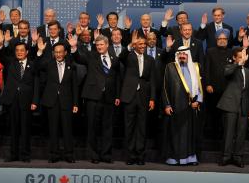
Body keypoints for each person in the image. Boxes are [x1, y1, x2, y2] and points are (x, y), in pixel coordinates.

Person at [69, 34, 121, 164]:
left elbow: (117, 79)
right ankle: (94, 155)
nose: (99, 47)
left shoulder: (114, 58)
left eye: (101, 44)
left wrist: (117, 95)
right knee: (92, 127)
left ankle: (106, 155)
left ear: (107, 45)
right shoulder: (91, 56)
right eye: (97, 45)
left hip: (109, 97)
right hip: (93, 97)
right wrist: (74, 47)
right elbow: (79, 58)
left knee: (107, 127)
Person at [0, 39, 39, 162]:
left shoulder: (33, 64)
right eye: (17, 50)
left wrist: (35, 101)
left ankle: (25, 155)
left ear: (26, 52)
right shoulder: (10, 63)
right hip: (12, 101)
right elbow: (1, 56)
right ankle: (13, 155)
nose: (19, 52)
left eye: (22, 50)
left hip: (27, 101)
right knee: (13, 129)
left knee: (25, 130)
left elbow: (36, 84)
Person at [37, 41, 78, 163]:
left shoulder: (72, 66)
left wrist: (75, 103)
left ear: (65, 53)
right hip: (51, 101)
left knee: (67, 129)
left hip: (67, 101)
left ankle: (69, 155)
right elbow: (37, 66)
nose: (59, 54)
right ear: (53, 53)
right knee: (53, 129)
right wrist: (39, 51)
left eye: (61, 52)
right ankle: (53, 154)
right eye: (56, 52)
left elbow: (75, 86)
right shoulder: (48, 64)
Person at [162, 46, 203, 166]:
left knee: (190, 133)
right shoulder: (170, 67)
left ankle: (190, 158)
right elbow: (164, 88)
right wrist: (167, 105)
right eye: (180, 54)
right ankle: (175, 158)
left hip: (191, 106)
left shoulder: (195, 67)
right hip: (175, 106)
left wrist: (198, 101)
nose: (182, 56)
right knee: (176, 133)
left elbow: (200, 86)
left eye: (184, 54)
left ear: (188, 55)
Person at [119, 31, 156, 165]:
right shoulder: (128, 56)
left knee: (141, 127)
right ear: (135, 45)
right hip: (129, 96)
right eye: (139, 44)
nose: (142, 46)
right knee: (129, 127)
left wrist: (152, 99)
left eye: (144, 44)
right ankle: (130, 156)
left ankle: (140, 155)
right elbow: (120, 58)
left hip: (144, 97)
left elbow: (152, 80)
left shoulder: (150, 60)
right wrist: (130, 45)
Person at [217, 47, 249, 168]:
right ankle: (226, 157)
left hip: (243, 106)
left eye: (243, 57)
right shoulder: (230, 67)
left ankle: (238, 157)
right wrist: (238, 63)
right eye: (239, 57)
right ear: (234, 58)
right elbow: (226, 73)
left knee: (241, 133)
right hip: (230, 105)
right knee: (228, 132)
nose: (242, 59)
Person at [203, 29, 233, 140]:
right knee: (213, 114)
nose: (222, 41)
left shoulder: (231, 52)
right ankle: (212, 136)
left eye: (224, 39)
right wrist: (208, 84)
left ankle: (224, 136)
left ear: (227, 40)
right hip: (213, 88)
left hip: (227, 89)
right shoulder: (210, 51)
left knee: (225, 115)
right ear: (216, 40)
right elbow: (206, 69)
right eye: (219, 39)